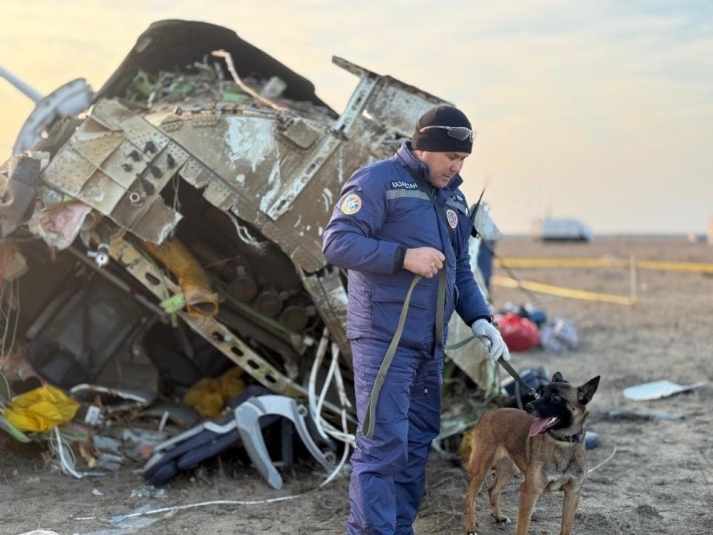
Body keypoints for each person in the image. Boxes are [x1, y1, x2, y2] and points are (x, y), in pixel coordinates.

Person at [322, 104, 511, 534]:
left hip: (430, 344)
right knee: (383, 448)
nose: (457, 166)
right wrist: (401, 257)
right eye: (451, 157)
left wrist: (480, 319)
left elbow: (460, 267)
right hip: (384, 341)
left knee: (414, 446)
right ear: (425, 148)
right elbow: (337, 243)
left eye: (463, 159)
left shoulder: (455, 198)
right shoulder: (377, 181)